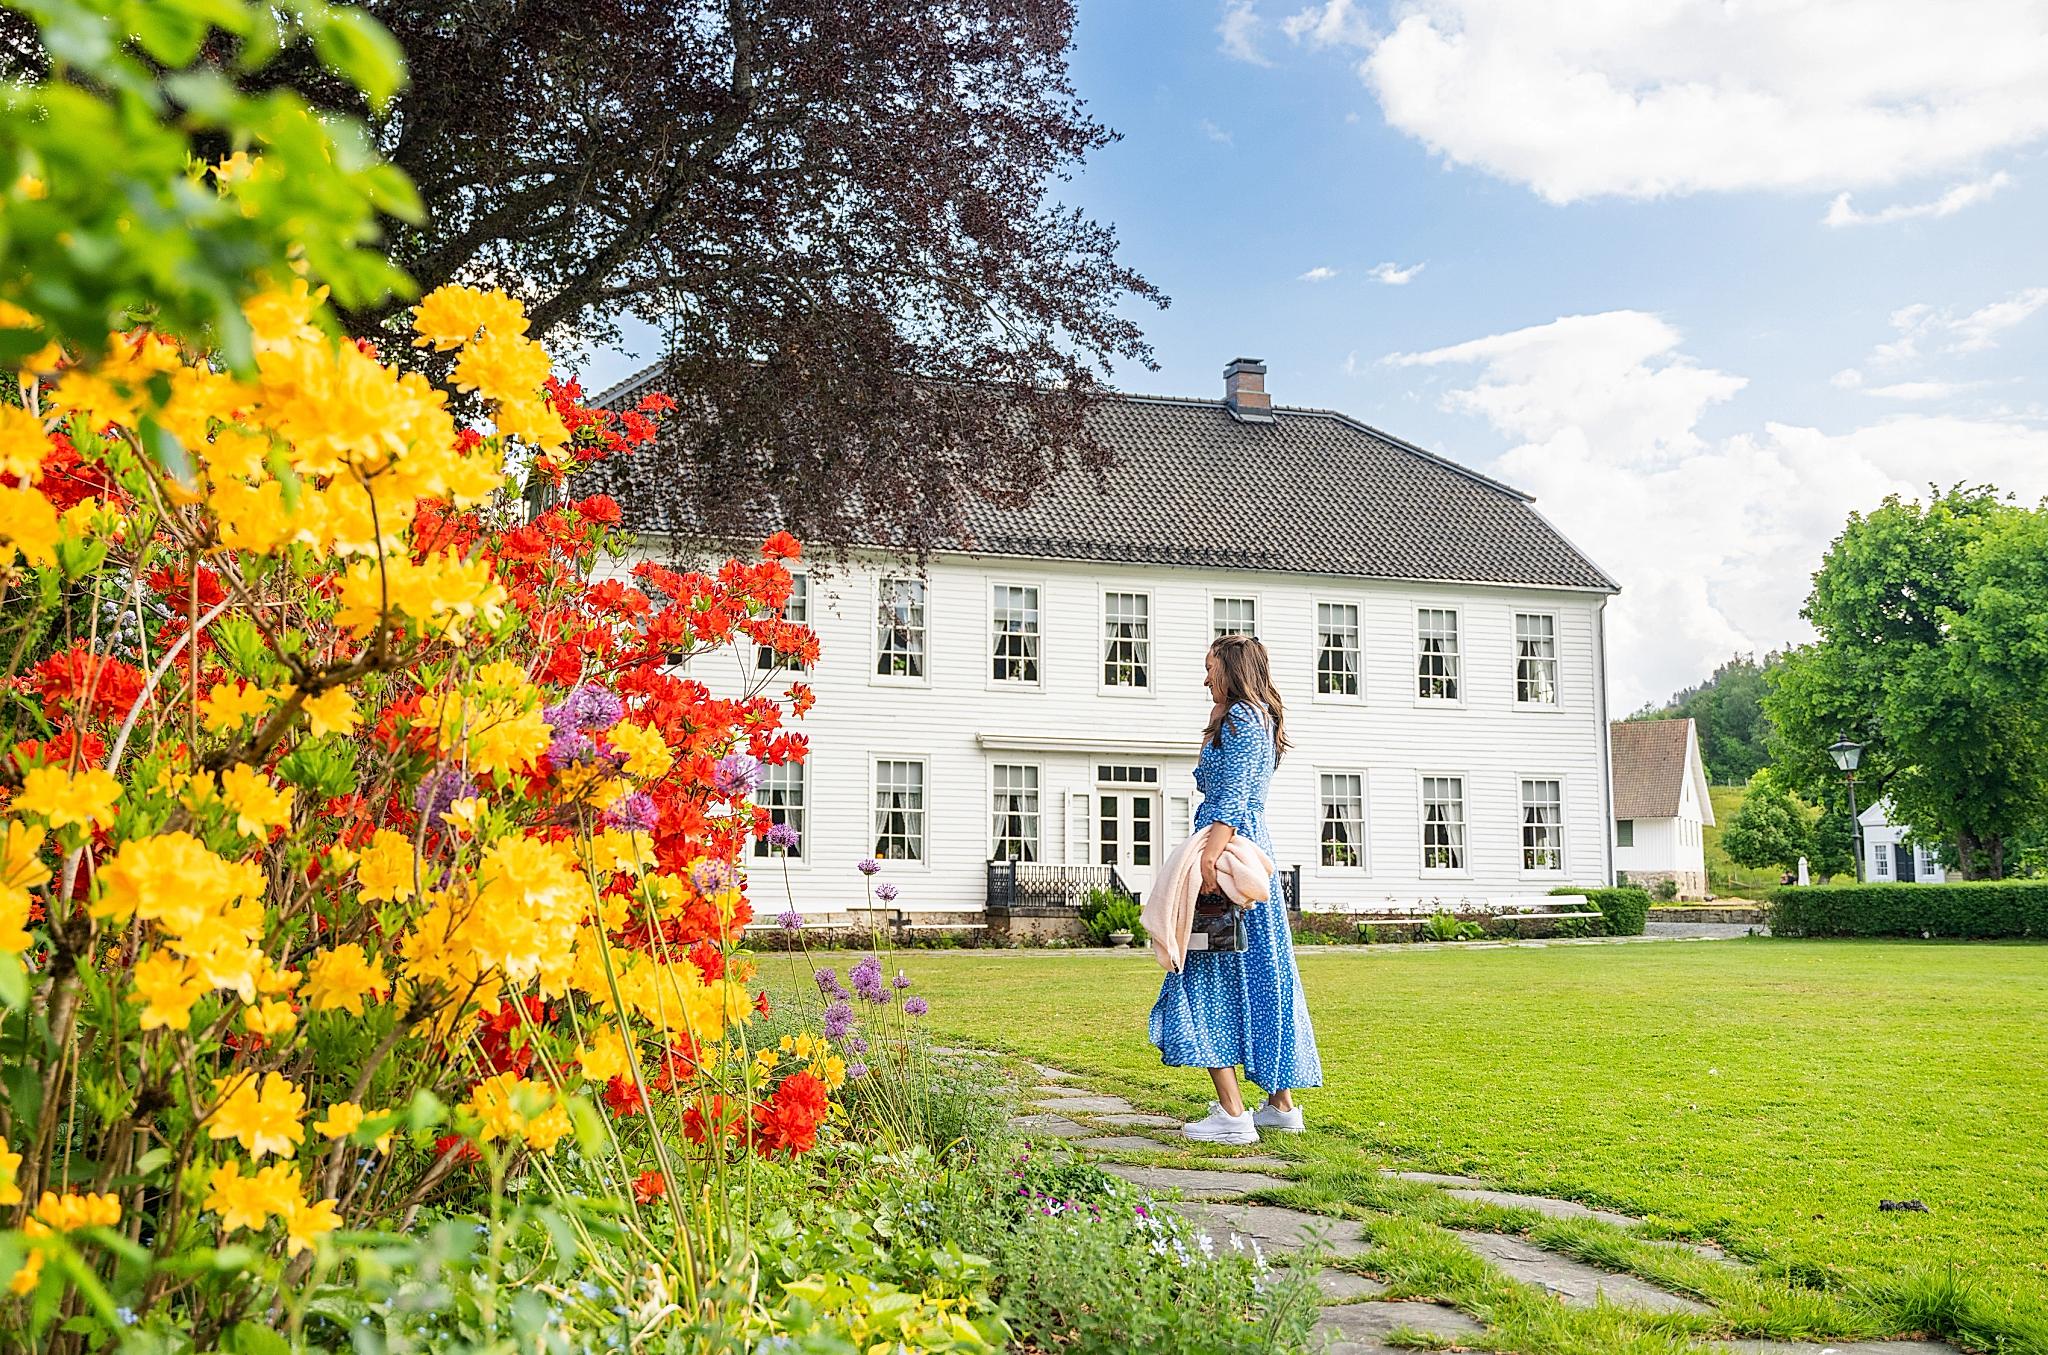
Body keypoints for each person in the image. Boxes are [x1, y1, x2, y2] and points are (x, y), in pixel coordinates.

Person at [1150, 634, 1323, 1144]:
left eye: (1210, 669)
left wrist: (1208, 855)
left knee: (1202, 972)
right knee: (1260, 974)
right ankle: (1280, 1105)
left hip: (1228, 862)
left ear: (1232, 669)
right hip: (1247, 856)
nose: (1205, 679)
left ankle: (1232, 1114)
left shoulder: (1243, 719)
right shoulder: (1254, 718)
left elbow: (1232, 794)